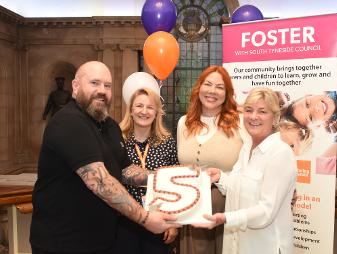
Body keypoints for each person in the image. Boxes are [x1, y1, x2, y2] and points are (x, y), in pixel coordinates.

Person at [30, 61, 179, 254]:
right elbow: (99, 181)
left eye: (107, 86)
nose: (102, 90)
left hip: (102, 242)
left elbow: (126, 171)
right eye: (94, 83)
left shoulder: (110, 126)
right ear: (75, 86)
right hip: (63, 243)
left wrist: (181, 178)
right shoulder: (68, 121)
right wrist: (145, 218)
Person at [197, 87, 297, 254]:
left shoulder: (281, 154)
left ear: (275, 118)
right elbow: (240, 189)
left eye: (262, 111)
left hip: (266, 247)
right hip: (238, 245)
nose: (253, 117)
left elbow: (266, 211)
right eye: (249, 110)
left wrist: (226, 218)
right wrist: (220, 177)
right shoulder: (247, 147)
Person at [177, 66, 243, 254]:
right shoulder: (184, 122)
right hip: (190, 208)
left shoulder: (240, 123)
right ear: (199, 88)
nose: (212, 91)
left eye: (220, 87)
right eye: (208, 84)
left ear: (227, 93)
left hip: (226, 208)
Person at [115, 87, 179, 254]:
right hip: (124, 221)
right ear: (130, 110)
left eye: (150, 107)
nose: (144, 111)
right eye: (139, 106)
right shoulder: (117, 139)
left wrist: (172, 224)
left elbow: (173, 184)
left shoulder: (167, 142)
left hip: (158, 220)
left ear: (157, 112)